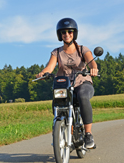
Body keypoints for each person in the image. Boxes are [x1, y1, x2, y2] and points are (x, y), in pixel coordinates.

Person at [36, 18, 98, 148]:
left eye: (70, 31)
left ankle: (88, 134)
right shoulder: (57, 52)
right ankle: (65, 131)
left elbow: (91, 61)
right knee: (57, 103)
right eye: (63, 32)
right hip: (64, 85)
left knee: (82, 96)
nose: (67, 34)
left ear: (74, 33)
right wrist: (43, 73)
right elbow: (50, 67)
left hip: (82, 82)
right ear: (60, 35)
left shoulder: (82, 49)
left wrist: (94, 68)